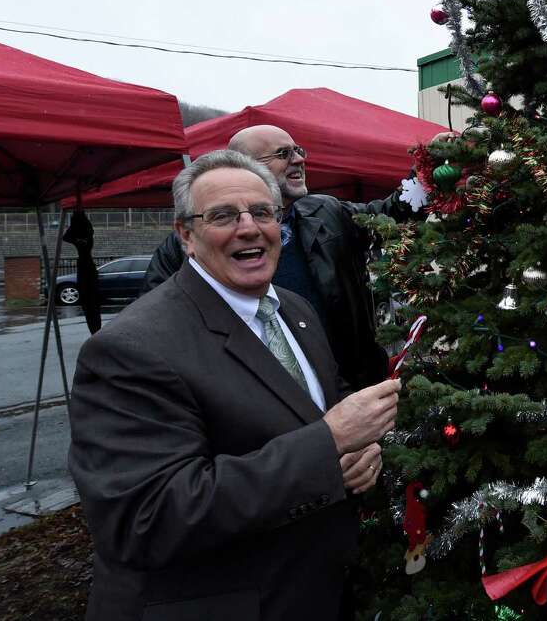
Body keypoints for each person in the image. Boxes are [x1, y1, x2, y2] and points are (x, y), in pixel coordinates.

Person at [69, 150, 402, 620]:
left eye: (262, 212)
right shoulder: (129, 348)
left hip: (313, 590)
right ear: (186, 234)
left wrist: (358, 452)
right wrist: (329, 445)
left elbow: (312, 407)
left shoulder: (294, 310)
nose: (249, 228)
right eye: (223, 215)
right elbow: (146, 519)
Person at [143, 125, 420, 389]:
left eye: (298, 150)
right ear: (246, 167)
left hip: (345, 384)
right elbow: (155, 324)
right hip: (249, 399)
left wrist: (425, 173)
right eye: (283, 154)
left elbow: (391, 213)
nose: (299, 159)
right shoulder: (187, 243)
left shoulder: (327, 212)